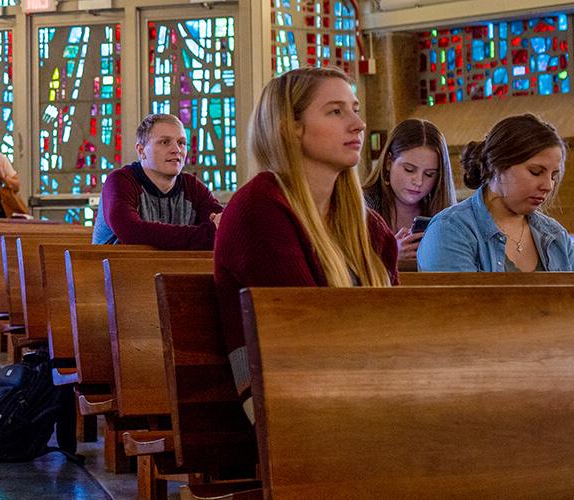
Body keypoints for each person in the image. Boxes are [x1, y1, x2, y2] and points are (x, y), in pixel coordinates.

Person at [214, 67, 398, 423]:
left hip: (356, 386)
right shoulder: (259, 208)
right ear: (290, 127)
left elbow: (396, 323)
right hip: (281, 396)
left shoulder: (366, 226)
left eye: (355, 108)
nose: (357, 124)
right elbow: (306, 333)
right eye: (336, 111)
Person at [418, 113, 571, 272]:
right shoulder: (450, 230)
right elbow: (459, 298)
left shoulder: (555, 234)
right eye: (536, 172)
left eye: (553, 176)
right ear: (498, 167)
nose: (548, 186)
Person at [90, 114, 225, 250]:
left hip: (174, 270)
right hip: (116, 269)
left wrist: (218, 231)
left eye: (181, 143)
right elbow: (132, 232)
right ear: (141, 151)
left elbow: (226, 227)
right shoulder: (120, 181)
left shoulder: (193, 187)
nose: (176, 150)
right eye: (165, 142)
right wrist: (209, 234)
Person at [361, 119, 453, 270]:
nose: (418, 181)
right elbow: (341, 269)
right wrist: (389, 256)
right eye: (409, 169)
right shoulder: (361, 206)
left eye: (429, 174)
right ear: (389, 162)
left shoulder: (446, 215)